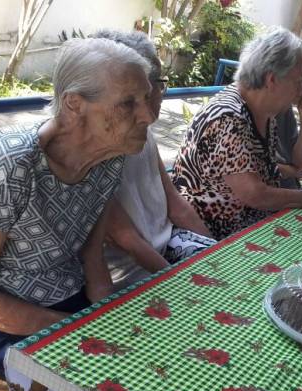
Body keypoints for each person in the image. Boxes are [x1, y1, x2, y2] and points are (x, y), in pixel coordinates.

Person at [0, 38, 155, 378]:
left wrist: (110, 322)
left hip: (68, 303)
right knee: (106, 383)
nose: (148, 115)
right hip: (1, 318)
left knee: (148, 359)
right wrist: (74, 330)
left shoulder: (108, 161)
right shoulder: (14, 164)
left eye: (145, 99)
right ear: (74, 105)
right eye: (128, 103)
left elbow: (92, 259)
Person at [171, 27, 302, 240]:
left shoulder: (264, 115)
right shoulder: (228, 117)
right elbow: (255, 193)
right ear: (272, 80)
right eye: (299, 82)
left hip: (248, 227)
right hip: (207, 237)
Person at [90, 30, 216, 290]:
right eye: (156, 85)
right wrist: (178, 282)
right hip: (131, 272)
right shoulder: (96, 152)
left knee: (234, 273)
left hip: (170, 244)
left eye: (158, 85)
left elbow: (176, 205)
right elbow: (127, 239)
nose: (159, 94)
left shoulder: (144, 136)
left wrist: (216, 252)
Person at [275, 41, 302, 189]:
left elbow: (299, 162)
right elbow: (257, 171)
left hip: (287, 190)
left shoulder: (285, 109)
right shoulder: (256, 109)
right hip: (273, 199)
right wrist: (291, 171)